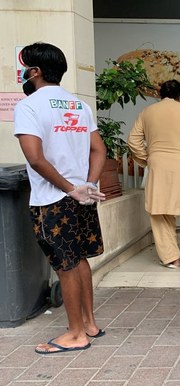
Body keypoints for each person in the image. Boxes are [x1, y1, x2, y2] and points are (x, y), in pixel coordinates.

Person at [13, 42, 107, 354]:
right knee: (78, 260)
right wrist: (87, 185)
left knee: (65, 266)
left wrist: (68, 188)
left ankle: (76, 334)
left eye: (25, 67)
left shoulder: (29, 106)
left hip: (53, 199)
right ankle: (89, 324)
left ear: (35, 71)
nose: (23, 72)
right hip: (81, 197)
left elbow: (35, 158)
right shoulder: (79, 105)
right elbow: (99, 149)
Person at [127, 80, 180, 268]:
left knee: (159, 210)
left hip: (158, 166)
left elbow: (133, 140)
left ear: (160, 94)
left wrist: (147, 159)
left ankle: (171, 258)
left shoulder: (147, 112)